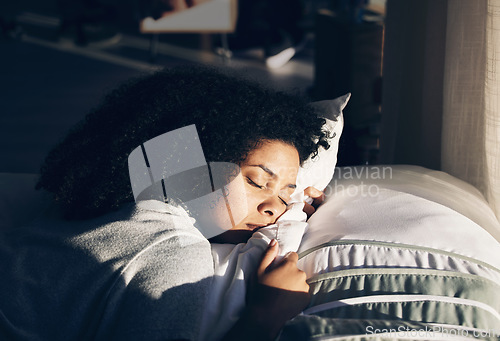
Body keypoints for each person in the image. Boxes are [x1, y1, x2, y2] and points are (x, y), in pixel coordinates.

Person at [0, 66, 330, 340]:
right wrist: (265, 316)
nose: (275, 208)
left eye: (287, 194)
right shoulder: (174, 250)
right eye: (257, 181)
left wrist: (297, 206)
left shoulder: (79, 205)